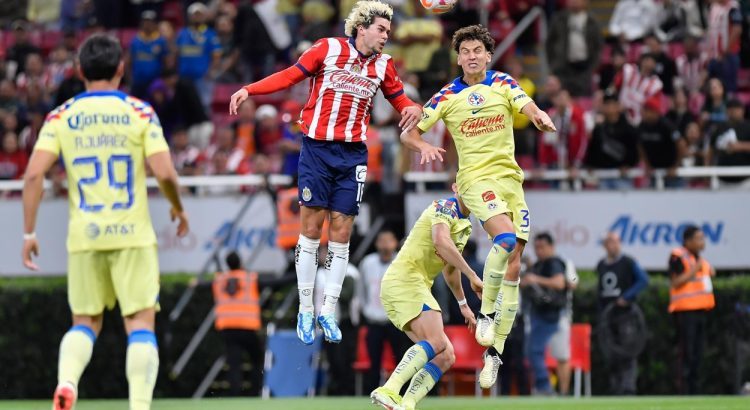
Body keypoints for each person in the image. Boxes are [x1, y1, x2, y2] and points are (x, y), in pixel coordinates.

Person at [228, 0, 422, 345]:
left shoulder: (384, 65)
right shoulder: (328, 48)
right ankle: (306, 307)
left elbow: (399, 100)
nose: (386, 36)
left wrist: (413, 107)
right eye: (381, 29)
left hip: (353, 155)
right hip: (317, 149)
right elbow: (290, 76)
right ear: (361, 27)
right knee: (311, 230)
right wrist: (249, 89)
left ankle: (328, 311)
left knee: (342, 232)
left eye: (389, 31)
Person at [21, 34, 189, 410]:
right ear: (121, 69)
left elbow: (33, 176)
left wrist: (29, 232)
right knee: (140, 324)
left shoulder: (60, 116)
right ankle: (139, 406)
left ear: (79, 70)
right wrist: (178, 207)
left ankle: (67, 383)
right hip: (133, 235)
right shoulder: (140, 112)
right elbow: (164, 172)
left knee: (85, 322)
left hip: (85, 236)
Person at [400, 24, 556, 390]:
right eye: (465, 50)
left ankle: (494, 355)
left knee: (515, 261)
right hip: (474, 180)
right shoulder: (445, 96)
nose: (471, 55)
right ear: (458, 58)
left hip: (510, 181)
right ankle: (486, 314)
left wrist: (538, 115)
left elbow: (526, 104)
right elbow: (408, 132)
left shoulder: (503, 83)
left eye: (478, 50)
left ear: (488, 55)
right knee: (503, 240)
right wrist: (422, 147)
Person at [370, 188, 483, 410]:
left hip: (410, 285)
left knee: (446, 355)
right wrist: (472, 275)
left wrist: (463, 305)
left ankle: (407, 404)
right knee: (438, 341)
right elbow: (441, 241)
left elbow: (449, 268)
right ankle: (388, 389)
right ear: (456, 188)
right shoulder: (445, 207)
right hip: (406, 280)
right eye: (467, 185)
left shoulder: (464, 224)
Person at [596, 232, 649, 395]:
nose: (613, 245)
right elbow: (600, 290)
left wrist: (626, 297)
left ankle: (628, 388)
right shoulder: (601, 265)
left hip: (626, 315)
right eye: (609, 242)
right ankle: (615, 388)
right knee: (611, 353)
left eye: (615, 242)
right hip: (608, 316)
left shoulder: (628, 262)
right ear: (605, 245)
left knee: (627, 352)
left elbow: (643, 280)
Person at [358, 229, 410, 393]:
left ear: (395, 243)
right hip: (374, 321)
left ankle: (402, 394)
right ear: (376, 244)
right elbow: (361, 291)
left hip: (396, 322)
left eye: (389, 240)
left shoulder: (402, 262)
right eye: (382, 240)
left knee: (401, 360)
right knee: (374, 361)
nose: (385, 245)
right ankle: (373, 393)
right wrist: (365, 310)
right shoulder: (368, 263)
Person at [669, 225, 716, 395]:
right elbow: (675, 282)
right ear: (687, 241)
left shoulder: (700, 259)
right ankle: (684, 392)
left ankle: (696, 392)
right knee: (686, 354)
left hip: (701, 311)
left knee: (698, 354)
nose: (702, 242)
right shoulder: (678, 256)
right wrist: (695, 270)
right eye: (698, 238)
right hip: (685, 311)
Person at [520, 233, 567, 395]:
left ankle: (545, 387)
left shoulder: (554, 263)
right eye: (536, 247)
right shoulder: (539, 264)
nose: (539, 251)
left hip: (550, 314)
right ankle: (543, 387)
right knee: (531, 351)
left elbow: (559, 283)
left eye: (542, 247)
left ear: (551, 247)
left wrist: (535, 280)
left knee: (534, 351)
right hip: (538, 313)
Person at [212, 251, 263, 396]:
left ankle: (235, 395)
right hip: (247, 327)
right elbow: (275, 282)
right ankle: (255, 392)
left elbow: (204, 284)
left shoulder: (220, 279)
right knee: (257, 360)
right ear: (240, 262)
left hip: (228, 327)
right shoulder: (249, 278)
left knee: (234, 364)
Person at [129, 10, 171, 99]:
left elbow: (166, 61)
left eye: (150, 22)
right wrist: (129, 79)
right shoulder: (135, 40)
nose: (147, 24)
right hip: (138, 81)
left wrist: (164, 79)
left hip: (155, 82)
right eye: (145, 22)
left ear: (155, 24)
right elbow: (129, 60)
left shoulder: (161, 41)